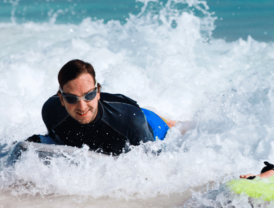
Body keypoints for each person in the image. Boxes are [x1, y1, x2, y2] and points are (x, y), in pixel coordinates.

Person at [26, 59, 175, 156]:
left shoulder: (130, 121)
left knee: (176, 127)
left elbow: (155, 162)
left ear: (98, 92)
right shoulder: (52, 110)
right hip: (124, 113)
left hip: (149, 123)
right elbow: (56, 141)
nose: (82, 106)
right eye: (72, 98)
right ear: (61, 99)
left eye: (88, 95)